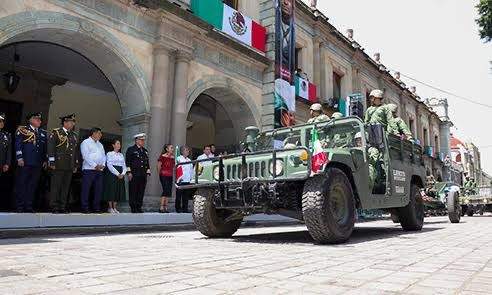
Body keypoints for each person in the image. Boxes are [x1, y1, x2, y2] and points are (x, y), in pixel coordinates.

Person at [14, 113, 47, 213]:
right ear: (31, 120)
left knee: (32, 185)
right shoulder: (23, 130)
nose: (39, 121)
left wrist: (45, 160)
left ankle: (28, 205)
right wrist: (19, 158)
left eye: (40, 120)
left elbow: (44, 149)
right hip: (26, 162)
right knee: (22, 184)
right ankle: (19, 206)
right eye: (37, 119)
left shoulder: (42, 132)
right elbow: (18, 144)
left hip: (37, 163)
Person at [47, 114, 78, 214]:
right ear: (65, 122)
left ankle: (62, 206)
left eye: (73, 122)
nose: (72, 124)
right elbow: (51, 147)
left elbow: (75, 151)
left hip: (69, 165)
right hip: (58, 163)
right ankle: (54, 206)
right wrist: (51, 161)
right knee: (56, 186)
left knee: (65, 187)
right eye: (70, 122)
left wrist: (75, 164)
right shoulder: (56, 132)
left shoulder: (74, 135)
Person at [80, 127, 106, 213]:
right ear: (93, 133)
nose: (100, 135)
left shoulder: (100, 144)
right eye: (99, 133)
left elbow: (103, 156)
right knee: (86, 189)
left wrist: (103, 165)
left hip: (99, 170)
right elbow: (85, 156)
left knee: (98, 189)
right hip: (88, 169)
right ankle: (85, 207)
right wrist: (95, 165)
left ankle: (96, 207)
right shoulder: (86, 142)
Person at [126, 133, 151, 213]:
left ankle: (139, 206)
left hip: (143, 174)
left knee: (141, 191)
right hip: (134, 174)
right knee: (133, 191)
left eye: (143, 140)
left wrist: (148, 171)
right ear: (136, 140)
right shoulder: (131, 149)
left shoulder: (145, 151)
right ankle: (133, 207)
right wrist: (129, 172)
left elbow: (147, 162)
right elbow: (127, 162)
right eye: (141, 140)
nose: (143, 141)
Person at [102, 139, 127, 214]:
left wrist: (123, 173)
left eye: (119, 144)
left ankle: (115, 207)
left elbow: (124, 165)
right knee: (111, 189)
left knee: (117, 190)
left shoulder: (121, 154)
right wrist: (117, 173)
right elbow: (109, 165)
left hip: (120, 173)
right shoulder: (109, 154)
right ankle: (110, 207)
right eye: (117, 143)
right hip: (112, 174)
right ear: (113, 145)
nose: (119, 145)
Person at [175, 145, 194, 213]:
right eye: (186, 150)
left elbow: (191, 170)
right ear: (182, 151)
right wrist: (179, 178)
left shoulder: (189, 160)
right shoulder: (178, 158)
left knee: (186, 196)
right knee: (179, 195)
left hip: (187, 180)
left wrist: (191, 179)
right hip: (181, 180)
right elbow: (177, 169)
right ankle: (178, 208)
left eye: (188, 150)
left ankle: (185, 208)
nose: (188, 151)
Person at [157, 144, 174, 213]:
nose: (172, 149)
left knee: (168, 191)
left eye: (172, 148)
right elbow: (158, 166)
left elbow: (173, 166)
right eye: (171, 148)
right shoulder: (162, 156)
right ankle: (161, 207)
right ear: (167, 149)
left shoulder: (173, 157)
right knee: (165, 189)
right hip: (163, 175)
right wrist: (160, 174)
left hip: (170, 175)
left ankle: (166, 207)